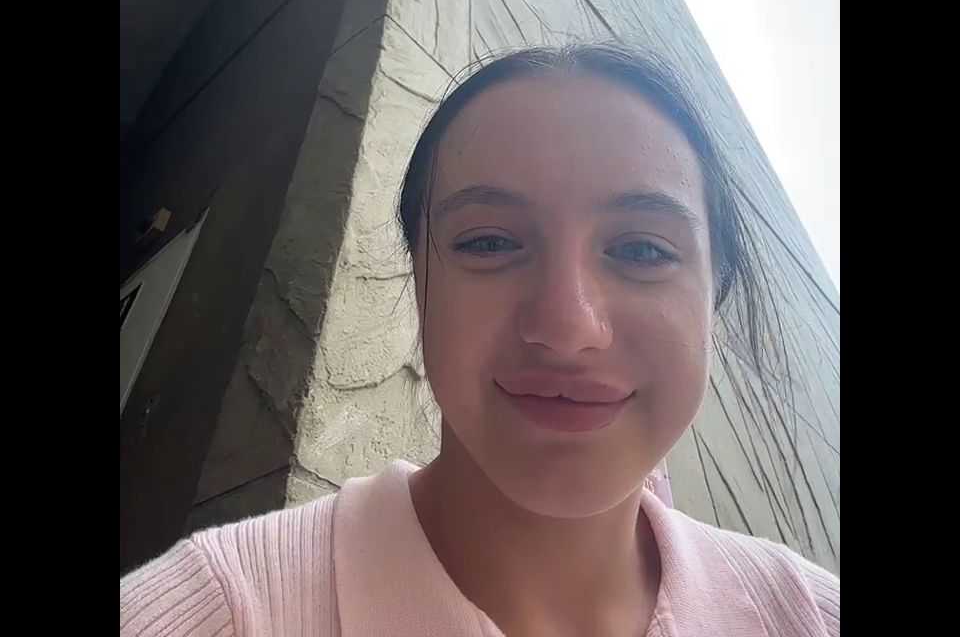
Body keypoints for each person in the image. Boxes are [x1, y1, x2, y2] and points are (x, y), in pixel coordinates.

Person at [121, 42, 839, 637]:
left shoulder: (806, 614)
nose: (567, 327)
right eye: (489, 241)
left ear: (713, 295)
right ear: (418, 281)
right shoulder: (217, 613)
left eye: (643, 250)